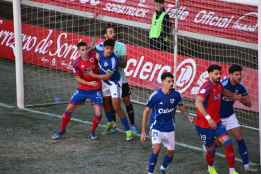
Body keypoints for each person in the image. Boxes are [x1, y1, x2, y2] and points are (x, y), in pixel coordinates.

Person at [194, 64, 241, 174]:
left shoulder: (218, 85)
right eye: (216, 74)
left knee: (228, 142)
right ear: (209, 74)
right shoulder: (206, 87)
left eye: (220, 73)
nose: (219, 76)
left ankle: (232, 170)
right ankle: (210, 167)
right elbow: (197, 102)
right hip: (204, 125)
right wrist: (208, 118)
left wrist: (236, 96)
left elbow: (225, 92)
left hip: (217, 123)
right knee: (211, 150)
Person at [51, 41, 103, 140]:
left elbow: (99, 53)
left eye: (86, 49)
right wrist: (89, 83)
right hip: (82, 89)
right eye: (82, 50)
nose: (85, 51)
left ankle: (92, 132)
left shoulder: (94, 56)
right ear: (78, 51)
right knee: (68, 110)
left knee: (98, 114)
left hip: (95, 89)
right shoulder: (76, 63)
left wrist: (94, 48)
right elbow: (78, 78)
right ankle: (62, 131)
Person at [140, 72, 187, 174]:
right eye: (168, 81)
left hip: (170, 128)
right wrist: (143, 131)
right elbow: (146, 111)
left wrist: (187, 116)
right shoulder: (156, 96)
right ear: (163, 82)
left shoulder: (176, 95)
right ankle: (150, 172)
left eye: (172, 81)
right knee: (156, 149)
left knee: (171, 153)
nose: (171, 83)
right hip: (156, 127)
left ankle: (163, 168)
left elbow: (181, 106)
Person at [88, 39, 134, 141]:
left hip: (114, 83)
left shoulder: (113, 60)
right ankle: (110, 123)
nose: (109, 50)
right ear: (104, 48)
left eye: (111, 49)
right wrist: (90, 47)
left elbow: (107, 76)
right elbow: (93, 49)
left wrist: (92, 75)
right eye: (107, 48)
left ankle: (128, 131)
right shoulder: (99, 50)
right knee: (105, 102)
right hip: (104, 83)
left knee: (116, 107)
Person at [96, 24, 138, 134]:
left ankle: (132, 125)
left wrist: (112, 54)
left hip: (120, 79)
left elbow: (124, 64)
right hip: (106, 81)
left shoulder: (120, 46)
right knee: (107, 102)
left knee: (126, 101)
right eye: (110, 32)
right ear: (105, 35)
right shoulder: (100, 46)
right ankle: (113, 124)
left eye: (114, 32)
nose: (113, 34)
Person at [220, 64, 254, 171]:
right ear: (230, 75)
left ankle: (246, 164)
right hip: (218, 117)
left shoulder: (240, 87)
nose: (239, 76)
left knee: (239, 138)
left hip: (230, 116)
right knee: (218, 143)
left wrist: (239, 98)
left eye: (240, 74)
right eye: (236, 74)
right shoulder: (223, 85)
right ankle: (208, 144)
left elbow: (249, 104)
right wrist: (234, 96)